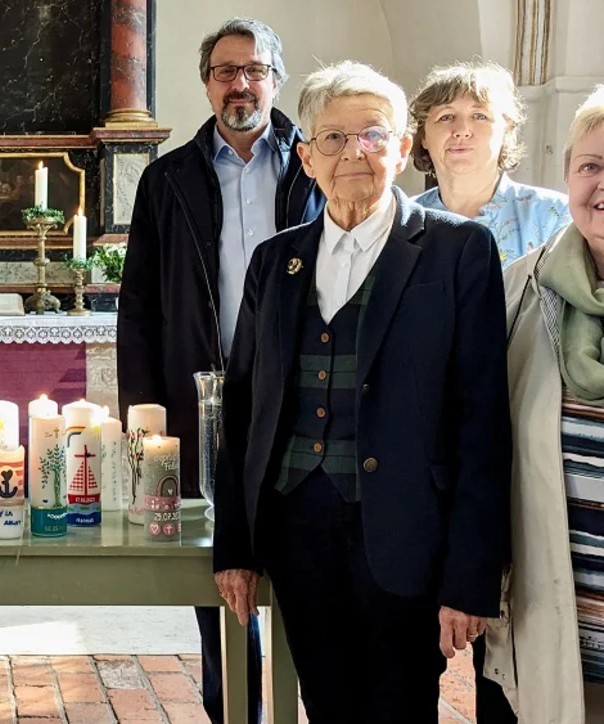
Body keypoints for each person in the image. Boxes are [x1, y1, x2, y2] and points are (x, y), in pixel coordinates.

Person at [212, 61, 512, 723]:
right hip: (298, 529)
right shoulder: (275, 261)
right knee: (328, 705)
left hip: (409, 532)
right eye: (334, 139)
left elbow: (483, 423)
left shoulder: (459, 252)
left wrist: (470, 578)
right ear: (306, 157)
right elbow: (243, 411)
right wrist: (234, 545)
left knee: (400, 708)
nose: (355, 152)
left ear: (404, 149)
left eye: (374, 136)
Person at [117, 16, 323, 724]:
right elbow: (138, 305)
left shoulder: (316, 162)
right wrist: (141, 418)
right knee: (218, 565)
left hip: (303, 391)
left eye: (255, 69)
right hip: (200, 392)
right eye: (226, 71)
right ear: (206, 84)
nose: (241, 83)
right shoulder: (166, 179)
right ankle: (231, 706)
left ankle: (303, 698)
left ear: (277, 78)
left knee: (303, 555)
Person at [490, 84, 604, 723]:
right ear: (567, 177)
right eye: (590, 166)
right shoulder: (517, 290)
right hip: (558, 612)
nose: (601, 184)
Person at [411, 61, 569, 268]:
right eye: (446, 117)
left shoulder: (554, 215)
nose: (461, 130)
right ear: (423, 136)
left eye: (479, 116)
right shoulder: (404, 220)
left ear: (507, 130)